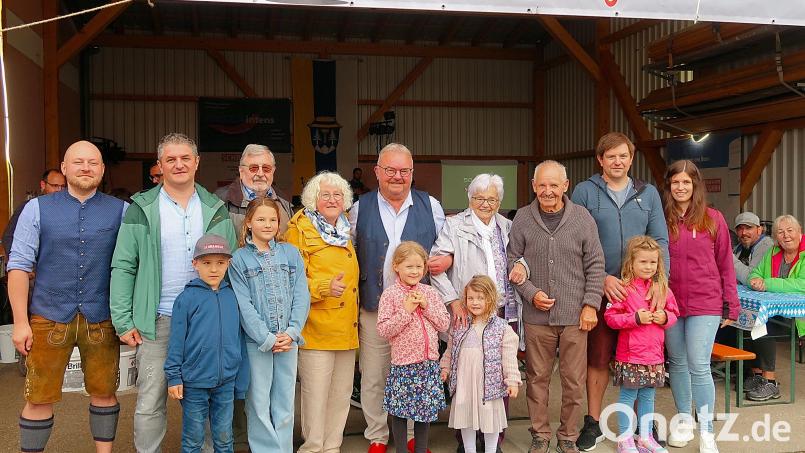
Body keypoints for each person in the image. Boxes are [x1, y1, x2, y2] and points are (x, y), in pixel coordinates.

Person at [110, 132, 238, 453]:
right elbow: (123, 265)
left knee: (206, 400)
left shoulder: (215, 209)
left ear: (196, 162)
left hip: (206, 323)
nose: (178, 164)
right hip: (157, 320)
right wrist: (123, 320)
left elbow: (231, 267)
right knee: (150, 402)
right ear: (160, 165)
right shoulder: (141, 209)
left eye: (185, 158)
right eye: (170, 159)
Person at [8, 141, 126, 453]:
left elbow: (131, 266)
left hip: (102, 317)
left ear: (102, 169)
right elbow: (19, 265)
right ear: (64, 167)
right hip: (48, 316)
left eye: (93, 162)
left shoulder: (122, 211)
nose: (86, 168)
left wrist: (129, 317)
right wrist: (20, 322)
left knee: (104, 392)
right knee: (38, 396)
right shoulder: (36, 209)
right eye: (78, 162)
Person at [570, 132, 669, 452]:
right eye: (610, 156)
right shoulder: (585, 191)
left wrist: (660, 283)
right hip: (600, 290)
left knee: (643, 358)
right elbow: (576, 241)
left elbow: (660, 240)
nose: (617, 161)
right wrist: (601, 279)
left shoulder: (647, 193)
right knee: (598, 357)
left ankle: (642, 426)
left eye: (623, 155)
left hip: (642, 291)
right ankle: (593, 422)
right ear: (600, 159)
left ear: (631, 158)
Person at [348, 143, 445, 453]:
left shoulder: (431, 206)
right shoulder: (359, 208)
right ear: (377, 172)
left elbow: (445, 247)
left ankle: (414, 434)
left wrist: (448, 258)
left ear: (412, 173)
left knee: (415, 374)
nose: (397, 176)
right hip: (375, 307)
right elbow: (348, 252)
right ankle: (377, 435)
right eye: (390, 170)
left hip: (417, 311)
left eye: (404, 171)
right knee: (375, 375)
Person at [507, 160, 606, 453]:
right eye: (542, 185)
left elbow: (596, 264)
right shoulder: (523, 218)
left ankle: (568, 436)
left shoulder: (582, 218)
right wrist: (531, 293)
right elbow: (512, 262)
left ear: (565, 185)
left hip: (575, 316)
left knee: (573, 381)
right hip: (537, 317)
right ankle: (540, 434)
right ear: (533, 186)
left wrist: (590, 305)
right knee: (537, 379)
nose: (547, 191)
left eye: (554, 185)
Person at [429, 173, 524, 452]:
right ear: (469, 198)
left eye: (492, 199)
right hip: (467, 313)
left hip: (502, 312)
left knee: (499, 373)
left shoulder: (507, 226)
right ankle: (466, 441)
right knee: (466, 377)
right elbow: (436, 268)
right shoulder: (454, 225)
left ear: (499, 202)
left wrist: (523, 266)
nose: (485, 204)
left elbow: (521, 257)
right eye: (479, 198)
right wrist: (453, 301)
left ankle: (495, 440)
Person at [662, 159, 738, 453]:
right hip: (670, 302)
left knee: (699, 364)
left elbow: (726, 264)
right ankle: (684, 420)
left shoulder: (712, 218)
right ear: (669, 185)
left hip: (705, 301)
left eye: (686, 182)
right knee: (677, 363)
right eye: (675, 182)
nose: (681, 187)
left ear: (695, 185)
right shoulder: (662, 219)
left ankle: (706, 432)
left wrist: (730, 303)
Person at [284, 172, 359, 453]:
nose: (332, 199)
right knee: (315, 396)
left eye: (337, 195)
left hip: (346, 327)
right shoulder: (299, 229)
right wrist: (323, 287)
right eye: (325, 194)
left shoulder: (345, 228)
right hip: (316, 327)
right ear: (313, 199)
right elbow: (289, 279)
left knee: (341, 395)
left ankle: (332, 447)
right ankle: (313, 448)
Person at [228, 197, 311, 452]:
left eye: (273, 220)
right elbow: (243, 304)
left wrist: (292, 331)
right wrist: (266, 338)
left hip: (288, 340)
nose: (268, 224)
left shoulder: (290, 253)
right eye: (261, 219)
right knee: (258, 402)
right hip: (257, 343)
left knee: (285, 400)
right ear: (248, 222)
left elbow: (301, 294)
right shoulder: (239, 259)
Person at [164, 234, 249, 452]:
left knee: (225, 439)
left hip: (226, 382)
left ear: (228, 263)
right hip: (194, 382)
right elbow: (176, 341)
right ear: (195, 264)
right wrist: (174, 377)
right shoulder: (186, 299)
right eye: (207, 263)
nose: (213, 269)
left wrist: (240, 379)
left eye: (220, 263)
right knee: (193, 440)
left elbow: (239, 340)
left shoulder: (233, 297)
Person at [604, 236, 678, 453]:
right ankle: (625, 438)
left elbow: (674, 313)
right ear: (631, 263)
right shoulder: (624, 289)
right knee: (628, 396)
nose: (648, 266)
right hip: (631, 356)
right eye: (643, 262)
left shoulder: (662, 289)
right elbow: (611, 318)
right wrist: (635, 318)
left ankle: (645, 437)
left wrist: (665, 317)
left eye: (653, 262)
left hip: (654, 356)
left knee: (648, 396)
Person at [376, 241, 450, 453]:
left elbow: (444, 324)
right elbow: (384, 330)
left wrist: (426, 306)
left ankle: (420, 449)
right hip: (404, 364)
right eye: (409, 266)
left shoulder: (430, 293)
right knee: (400, 412)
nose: (415, 271)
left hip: (428, 364)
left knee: (424, 413)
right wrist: (406, 310)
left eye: (419, 266)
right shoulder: (390, 295)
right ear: (396, 266)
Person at [440, 275, 522, 453]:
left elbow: (509, 358)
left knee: (490, 419)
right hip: (464, 383)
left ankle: (491, 449)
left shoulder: (501, 328)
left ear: (490, 299)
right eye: (470, 298)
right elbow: (450, 351)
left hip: (489, 386)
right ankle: (469, 449)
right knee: (466, 419)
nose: (475, 302)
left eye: (480, 298)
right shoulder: (459, 325)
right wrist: (444, 368)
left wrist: (512, 381)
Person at [745, 214, 805, 401]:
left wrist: (767, 283)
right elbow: (755, 273)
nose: (786, 235)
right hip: (777, 312)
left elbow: (801, 284)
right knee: (748, 319)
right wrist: (754, 280)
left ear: (800, 232)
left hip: (799, 318)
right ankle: (757, 374)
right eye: (780, 232)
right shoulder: (773, 252)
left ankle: (770, 382)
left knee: (765, 325)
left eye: (790, 230)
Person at [216, 144, 293, 235]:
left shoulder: (284, 202)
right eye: (253, 168)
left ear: (273, 171)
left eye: (266, 168)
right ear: (241, 171)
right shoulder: (221, 200)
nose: (260, 174)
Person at [2, 168, 66, 255]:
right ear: (43, 185)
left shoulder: (66, 209)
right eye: (55, 186)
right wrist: (21, 262)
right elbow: (8, 237)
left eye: (63, 186)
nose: (59, 190)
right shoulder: (29, 207)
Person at [733, 212, 774, 286]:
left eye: (748, 228)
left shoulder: (766, 245)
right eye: (740, 228)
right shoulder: (739, 247)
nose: (744, 232)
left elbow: (750, 278)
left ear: (759, 230)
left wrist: (728, 256)